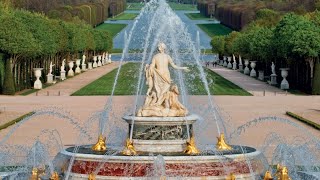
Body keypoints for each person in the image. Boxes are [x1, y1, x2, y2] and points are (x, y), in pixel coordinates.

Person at [137, 42, 189, 117]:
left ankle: (159, 104)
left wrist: (183, 68)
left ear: (162, 48)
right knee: (159, 91)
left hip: (164, 76)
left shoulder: (160, 56)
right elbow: (173, 66)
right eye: (159, 46)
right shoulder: (163, 56)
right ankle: (158, 105)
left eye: (159, 46)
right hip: (160, 75)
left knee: (163, 91)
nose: (158, 48)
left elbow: (173, 66)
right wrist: (149, 67)